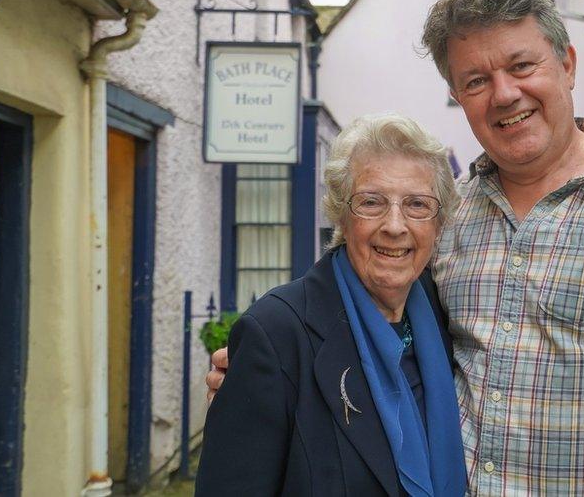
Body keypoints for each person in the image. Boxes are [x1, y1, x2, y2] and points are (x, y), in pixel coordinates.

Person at [209, 0, 584, 495]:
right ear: (458, 96)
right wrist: (271, 372)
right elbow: (375, 327)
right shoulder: (446, 214)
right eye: (477, 79)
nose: (505, 93)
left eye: (521, 65)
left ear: (566, 62)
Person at [195, 114, 467, 496]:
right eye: (371, 202)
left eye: (417, 205)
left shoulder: (444, 315)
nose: (394, 225)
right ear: (340, 213)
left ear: (438, 224)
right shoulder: (276, 333)